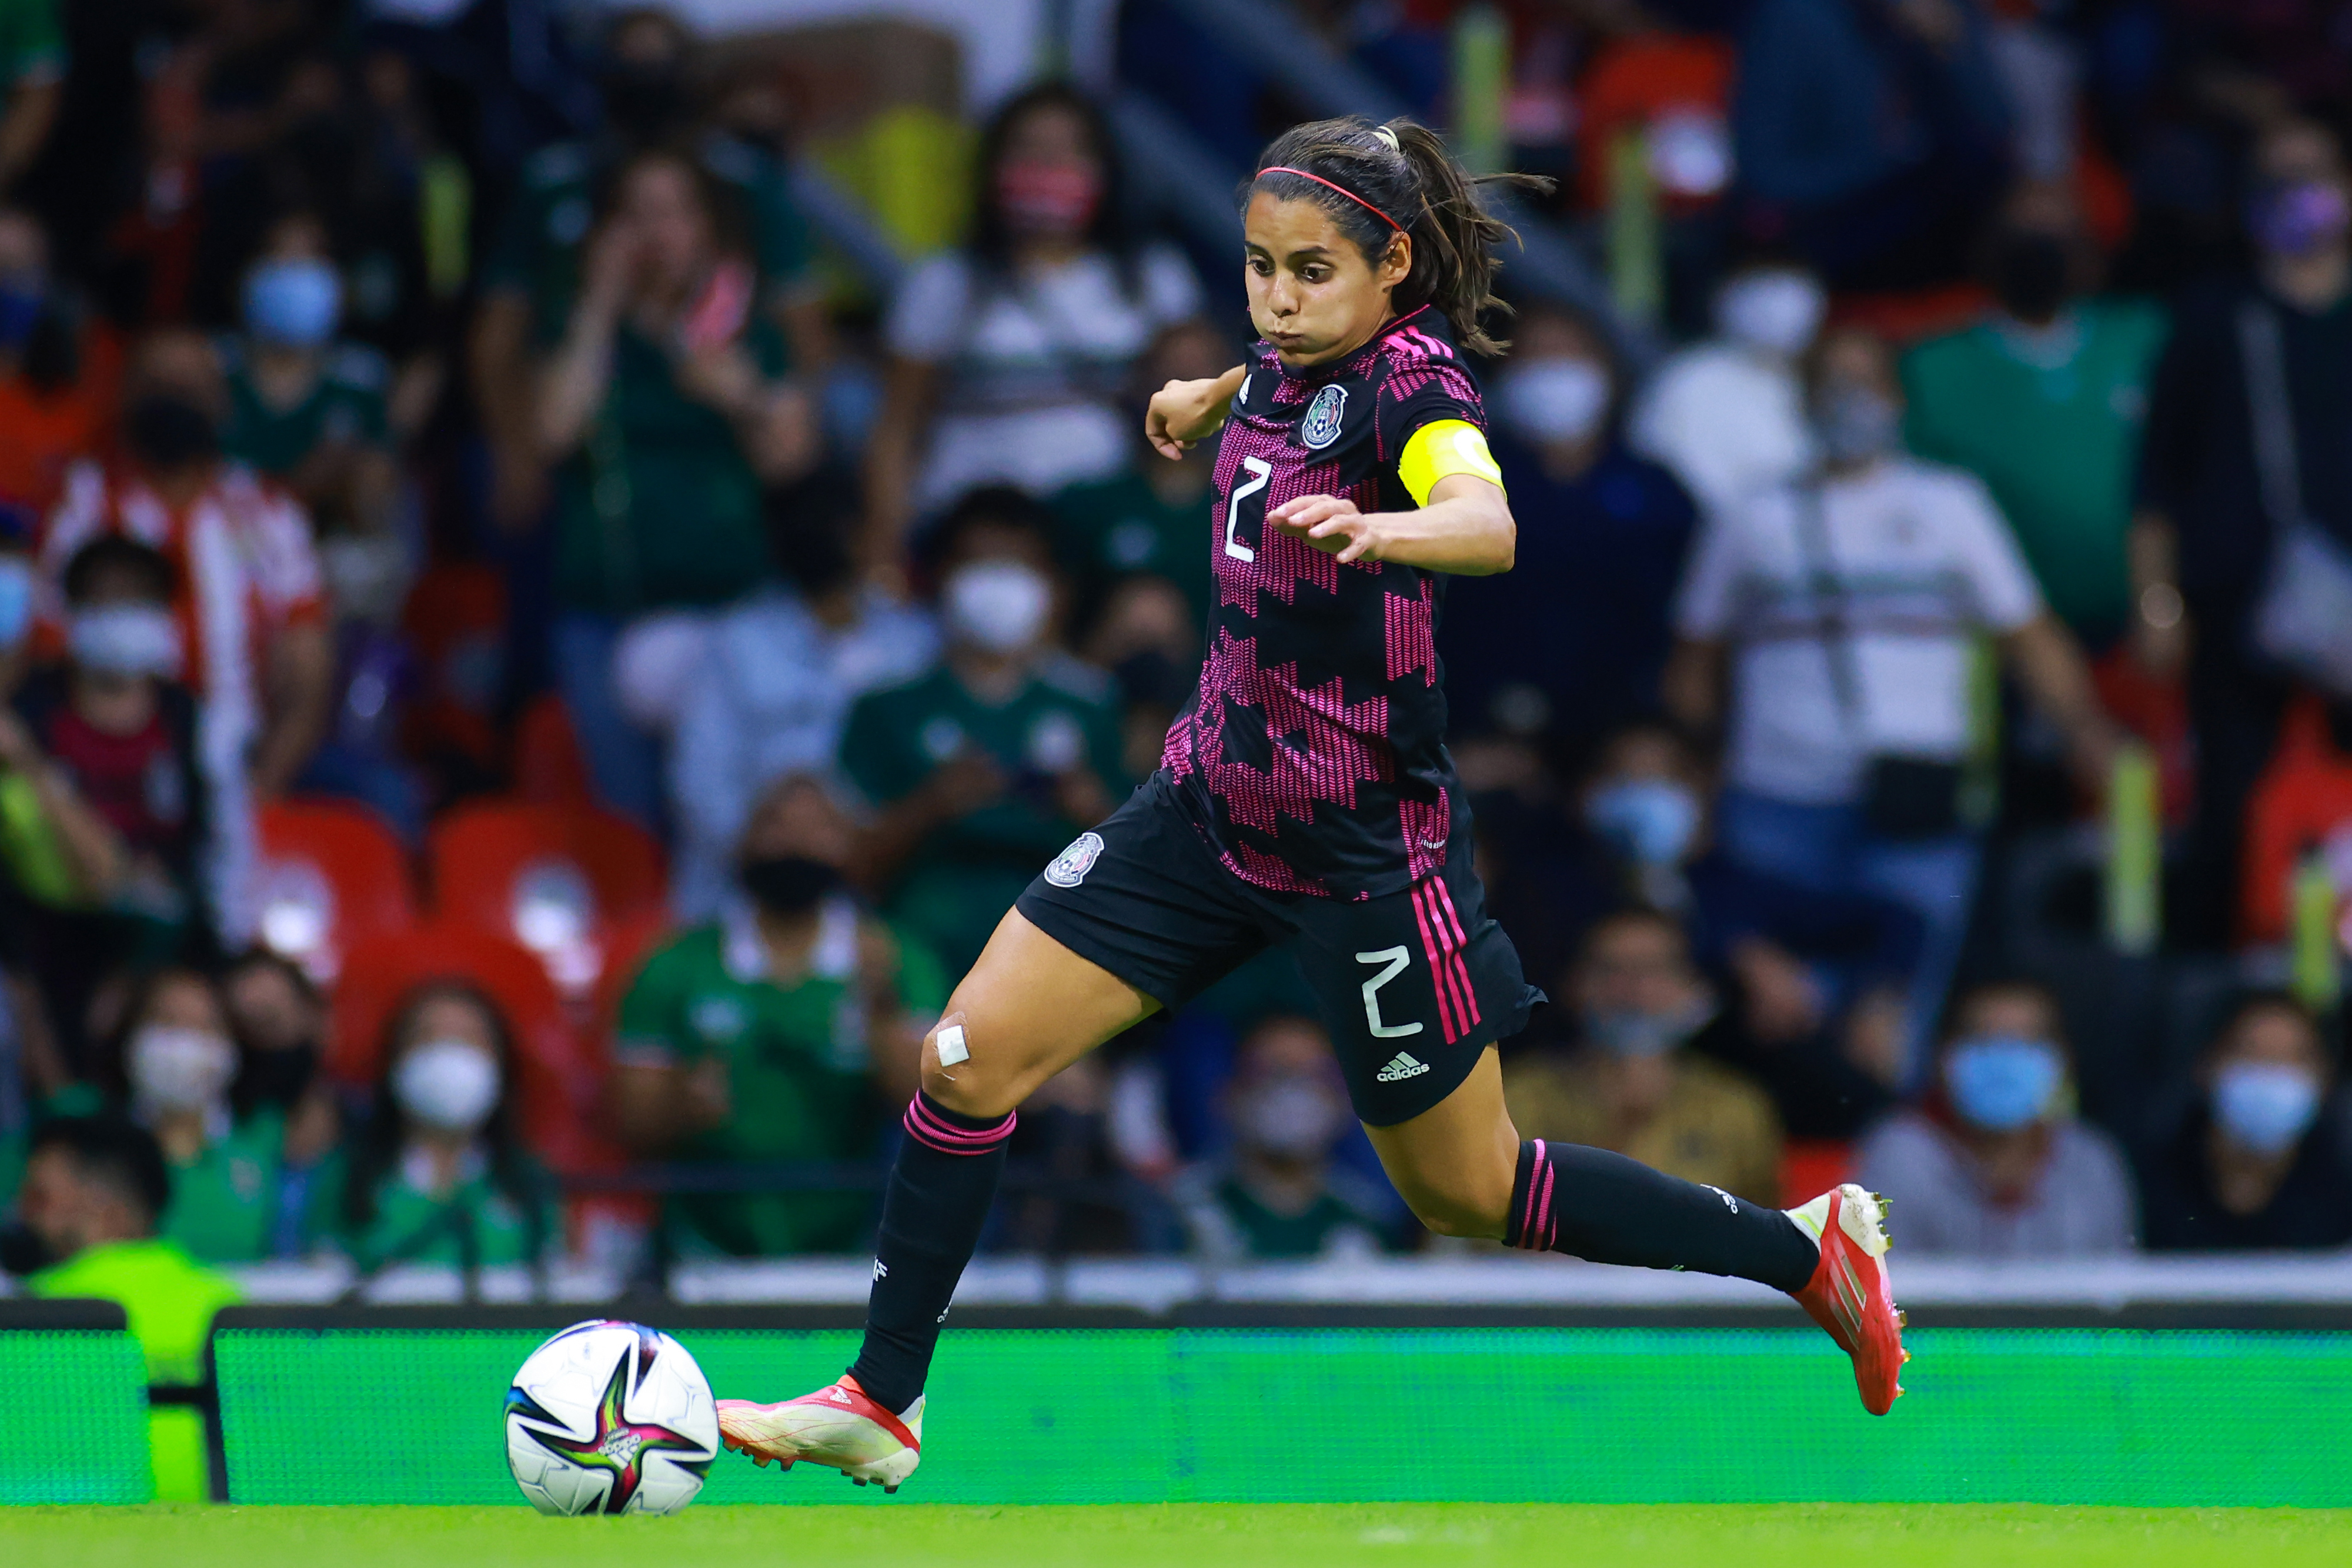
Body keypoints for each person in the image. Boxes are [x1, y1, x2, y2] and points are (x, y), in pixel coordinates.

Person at [714, 115, 1910, 1495]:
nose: (1276, 297)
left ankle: (1805, 1249)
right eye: (1257, 267)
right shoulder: (1289, 360)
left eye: (1307, 272)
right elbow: (1287, 385)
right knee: (963, 1064)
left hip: (1364, 856)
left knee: (1463, 1190)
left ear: (1389, 263)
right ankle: (882, 1394)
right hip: (1206, 811)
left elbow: (1485, 515)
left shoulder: (1417, 384)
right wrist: (1208, 395)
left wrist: (1390, 529)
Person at [1665, 325, 2120, 1075]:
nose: (1850, 399)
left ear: (1896, 399)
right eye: (1830, 381)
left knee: (1892, 1020)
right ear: (1804, 401)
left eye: (1865, 380)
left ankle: (1871, 1180)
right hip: (1776, 797)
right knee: (1784, 1016)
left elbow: (2028, 635)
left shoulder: (1950, 504)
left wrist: (2087, 731)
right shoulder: (1753, 514)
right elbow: (1694, 659)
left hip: (1916, 800)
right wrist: (1694, 774)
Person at [533, 145, 820, 830]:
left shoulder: (741, 331)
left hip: (732, 614)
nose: (658, 232)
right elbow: (550, 432)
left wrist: (741, 393)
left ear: (708, 228)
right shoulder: (582, 332)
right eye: (636, 215)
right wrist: (600, 305)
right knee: (627, 821)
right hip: (608, 615)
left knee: (728, 815)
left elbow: (794, 460)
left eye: (675, 213)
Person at [2133, 120, 2352, 950]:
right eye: (2276, 178)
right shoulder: (2212, 317)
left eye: (2316, 171)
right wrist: (2157, 603)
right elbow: (2154, 479)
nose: (2299, 193)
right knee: (2231, 797)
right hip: (2240, 604)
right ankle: (2230, 984)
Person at [41, 330, 334, 940]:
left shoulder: (266, 511)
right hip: (107, 765)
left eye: (192, 388)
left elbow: (309, 672)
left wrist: (262, 789)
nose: (175, 401)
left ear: (223, 401)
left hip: (239, 758)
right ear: (128, 398)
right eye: (160, 386)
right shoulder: (87, 503)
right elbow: (45, 652)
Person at [864, 83, 1205, 557]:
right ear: (993, 166)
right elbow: (896, 428)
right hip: (970, 520)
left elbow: (1195, 412)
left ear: (1104, 167)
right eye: (1030, 149)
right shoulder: (945, 282)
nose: (1049, 165)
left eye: (1070, 150)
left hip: (1102, 521)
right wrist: (885, 544)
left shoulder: (1151, 277)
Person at [611, 774, 936, 1256]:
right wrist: (681, 1104)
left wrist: (881, 1012)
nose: (797, 842)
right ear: (743, 842)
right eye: (777, 824)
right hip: (701, 1245)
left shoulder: (897, 959)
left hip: (854, 1244)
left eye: (818, 827)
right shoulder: (676, 964)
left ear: (850, 847)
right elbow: (627, 1120)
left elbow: (934, 1112)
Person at [836, 487, 1125, 981]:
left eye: (1017, 564)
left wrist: (1089, 810)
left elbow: (1141, 870)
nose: (997, 582)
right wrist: (930, 805)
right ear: (939, 577)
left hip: (1057, 953)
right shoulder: (885, 706)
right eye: (978, 562)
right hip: (914, 951)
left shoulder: (1094, 707)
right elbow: (847, 865)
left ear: (1053, 586)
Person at [1903, 184, 2167, 647]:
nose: (2039, 252)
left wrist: (2162, 603)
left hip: (2148, 626)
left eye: (2057, 235)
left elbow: (2186, 477)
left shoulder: (2145, 338)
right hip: (2004, 635)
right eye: (2022, 236)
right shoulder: (1934, 367)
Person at [667, 480, 939, 922]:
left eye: (841, 527)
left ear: (866, 534)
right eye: (812, 526)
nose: (826, 539)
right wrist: (780, 844)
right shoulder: (737, 639)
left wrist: (863, 844)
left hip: (878, 879)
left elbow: (924, 765)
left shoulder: (913, 641)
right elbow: (700, 780)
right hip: (745, 886)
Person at [1441, 300, 1698, 744]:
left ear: (1607, 373)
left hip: (1626, 731)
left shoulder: (1655, 489)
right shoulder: (1458, 483)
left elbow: (1689, 616)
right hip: (1485, 729)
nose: (1554, 374)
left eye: (1569, 357)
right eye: (1536, 359)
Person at [5, 537, 215, 1065]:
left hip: (161, 931)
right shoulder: (31, 710)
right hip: (46, 925)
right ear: (73, 613)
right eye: (106, 601)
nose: (122, 617)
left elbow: (202, 843)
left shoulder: (183, 714)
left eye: (137, 601)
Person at [18, 1114, 241, 1501]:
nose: (24, 1212)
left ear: (106, 1207)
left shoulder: (29, 1316)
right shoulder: (228, 1304)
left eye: (40, 1197)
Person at [1504, 910, 1785, 1206]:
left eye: (1654, 970)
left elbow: (1764, 1234)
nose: (1633, 990)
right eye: (1611, 969)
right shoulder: (1516, 1098)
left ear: (1691, 988)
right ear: (1575, 986)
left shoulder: (1738, 1109)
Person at [1856, 979, 2137, 1257]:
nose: (2005, 1060)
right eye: (1985, 1040)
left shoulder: (2092, 1165)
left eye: (2025, 1042)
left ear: (2063, 1061)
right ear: (1944, 1056)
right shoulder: (1899, 1159)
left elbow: (2117, 1291)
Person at [323, 982, 555, 1272]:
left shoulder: (530, 1184)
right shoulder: (346, 1178)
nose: (448, 1056)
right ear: (395, 1059)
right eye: (427, 1036)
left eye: (468, 1039)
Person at [216, 210, 397, 538]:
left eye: (308, 261)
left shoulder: (361, 380)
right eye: (279, 259)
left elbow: (375, 506)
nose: (294, 276)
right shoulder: (211, 370)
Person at [103, 967, 296, 1264]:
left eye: (204, 1027)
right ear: (132, 1033)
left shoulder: (265, 1136)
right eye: (169, 1022)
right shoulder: (92, 1133)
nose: (185, 1045)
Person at [1172, 1014, 1400, 1260]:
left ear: (1343, 1100)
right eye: (1272, 1072)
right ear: (1230, 1094)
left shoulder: (1368, 1217)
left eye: (1314, 1076)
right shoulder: (1179, 1210)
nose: (1292, 1093)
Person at [2139, 994, 2352, 1252]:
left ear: (2324, 1081)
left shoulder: (2341, 1194)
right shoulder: (2146, 1185)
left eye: (2291, 1060)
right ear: (2208, 1065)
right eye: (2253, 1055)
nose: (2270, 1075)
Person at [1626, 260, 1825, 521]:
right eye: (1760, 280)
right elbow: (1657, 466)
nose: (1777, 303)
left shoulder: (1824, 377)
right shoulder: (1688, 378)